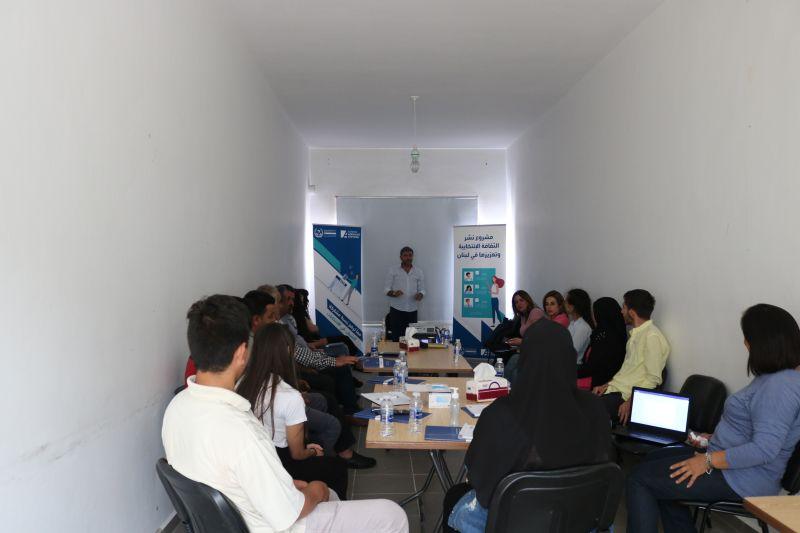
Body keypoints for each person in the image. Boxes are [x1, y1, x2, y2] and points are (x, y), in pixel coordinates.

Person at [162, 295, 408, 533]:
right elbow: (290, 513)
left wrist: (287, 485)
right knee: (391, 515)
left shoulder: (177, 408)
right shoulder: (243, 431)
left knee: (328, 495)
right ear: (241, 353)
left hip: (237, 515)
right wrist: (316, 491)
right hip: (277, 525)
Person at [626, 303, 800, 533]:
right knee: (654, 462)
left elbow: (764, 450)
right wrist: (714, 438)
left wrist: (707, 461)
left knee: (640, 479)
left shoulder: (780, 386)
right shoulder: (776, 378)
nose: (745, 343)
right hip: (731, 465)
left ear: (762, 342)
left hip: (743, 479)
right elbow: (757, 428)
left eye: (747, 337)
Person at [442, 319, 615, 533]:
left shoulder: (501, 413)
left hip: (516, 522)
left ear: (525, 360)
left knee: (455, 497)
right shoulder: (595, 407)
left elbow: (479, 479)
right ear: (569, 359)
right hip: (581, 519)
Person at [237, 323, 349, 497]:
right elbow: (297, 454)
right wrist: (312, 451)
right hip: (282, 465)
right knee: (338, 467)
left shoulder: (243, 383)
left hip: (259, 460)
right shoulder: (289, 396)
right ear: (288, 351)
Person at [277, 284, 363, 416]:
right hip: (300, 366)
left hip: (308, 354)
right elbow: (297, 353)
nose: (292, 303)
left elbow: (301, 344)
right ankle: (348, 408)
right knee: (337, 368)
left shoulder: (290, 318)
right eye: (288, 299)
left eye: (293, 300)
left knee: (342, 349)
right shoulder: (277, 328)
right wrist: (330, 360)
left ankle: (348, 402)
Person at [593, 289, 670, 424]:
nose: (621, 312)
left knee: (584, 413)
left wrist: (630, 402)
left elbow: (653, 379)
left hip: (626, 397)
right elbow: (628, 371)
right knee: (579, 405)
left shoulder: (652, 337)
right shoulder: (636, 334)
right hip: (616, 390)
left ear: (632, 312)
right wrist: (607, 385)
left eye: (624, 307)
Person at [576, 297, 627, 390]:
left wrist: (571, 372)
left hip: (598, 382)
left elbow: (594, 367)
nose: (593, 316)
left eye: (594, 312)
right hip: (592, 376)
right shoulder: (601, 334)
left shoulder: (608, 338)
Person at [293, 288, 359, 355]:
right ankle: (354, 358)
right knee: (344, 339)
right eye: (301, 299)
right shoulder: (298, 315)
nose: (303, 301)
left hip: (315, 340)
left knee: (345, 339)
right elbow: (314, 329)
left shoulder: (299, 314)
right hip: (313, 342)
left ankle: (353, 358)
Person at [384, 246, 425, 341]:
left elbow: (422, 290)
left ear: (413, 256)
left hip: (412, 311)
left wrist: (420, 295)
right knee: (396, 339)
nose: (408, 258)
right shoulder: (393, 270)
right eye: (405, 255)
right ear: (401, 257)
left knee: (412, 340)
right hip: (397, 311)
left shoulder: (418, 272)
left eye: (410, 255)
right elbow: (386, 289)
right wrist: (394, 293)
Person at [564, 288, 593, 364]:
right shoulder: (573, 323)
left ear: (573, 306)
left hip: (573, 365)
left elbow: (571, 351)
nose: (564, 304)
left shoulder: (583, 327)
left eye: (566, 301)